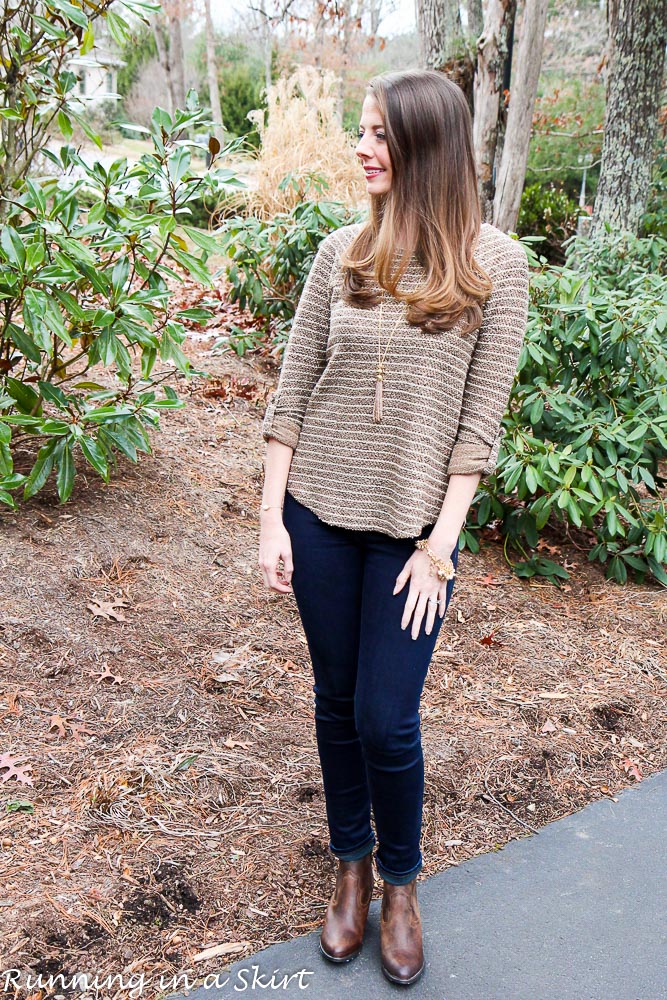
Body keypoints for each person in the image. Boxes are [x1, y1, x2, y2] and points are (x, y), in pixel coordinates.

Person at [258, 68, 529, 986]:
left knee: (386, 718)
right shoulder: (340, 252)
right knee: (336, 702)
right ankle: (351, 867)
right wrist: (270, 519)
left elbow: (478, 427)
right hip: (321, 517)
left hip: (415, 534)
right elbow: (290, 394)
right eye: (361, 131)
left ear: (425, 148)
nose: (362, 146)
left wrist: (440, 547)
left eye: (380, 133)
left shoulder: (495, 265)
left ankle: (402, 886)